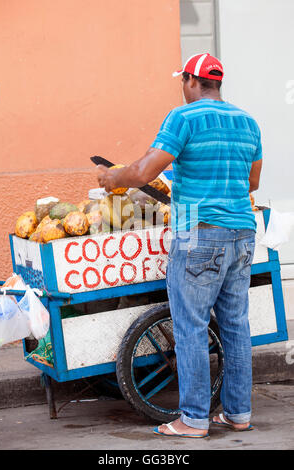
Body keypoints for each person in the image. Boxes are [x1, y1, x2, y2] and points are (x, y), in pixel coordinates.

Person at [96, 53, 262, 438]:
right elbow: (251, 183)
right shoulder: (248, 121)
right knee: (235, 326)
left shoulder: (183, 118)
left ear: (191, 81)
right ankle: (238, 414)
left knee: (190, 327)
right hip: (242, 232)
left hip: (197, 232)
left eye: (181, 81)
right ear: (216, 82)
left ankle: (193, 419)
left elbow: (143, 172)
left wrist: (111, 176)